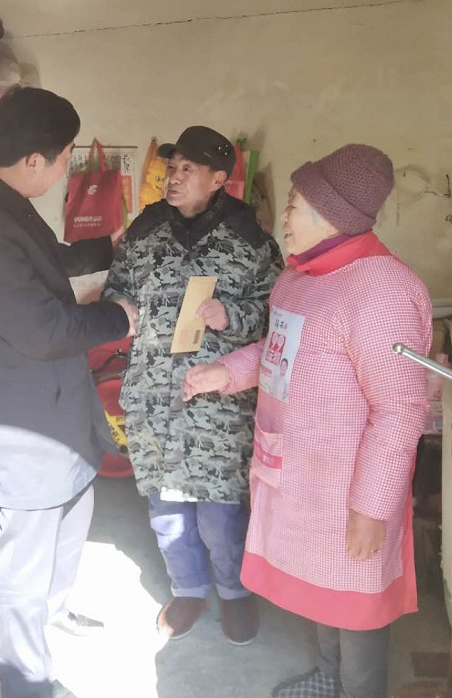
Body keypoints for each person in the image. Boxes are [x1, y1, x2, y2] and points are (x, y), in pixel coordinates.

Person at [184, 144, 432, 698]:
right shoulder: (298, 279)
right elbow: (278, 353)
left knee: (355, 600)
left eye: (294, 203)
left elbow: (398, 410)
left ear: (329, 217)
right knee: (322, 584)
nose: (285, 216)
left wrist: (372, 508)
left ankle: (359, 691)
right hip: (298, 475)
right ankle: (327, 674)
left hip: (348, 485)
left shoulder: (382, 290)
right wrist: (226, 372)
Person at [0, 86, 137, 698]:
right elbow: (43, 330)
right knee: (28, 551)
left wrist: (105, 248)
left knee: (73, 515)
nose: (66, 167)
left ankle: (55, 609)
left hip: (56, 404)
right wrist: (119, 318)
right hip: (19, 415)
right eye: (66, 157)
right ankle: (25, 677)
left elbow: (46, 260)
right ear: (35, 159)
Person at [103, 126, 283, 646]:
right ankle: (189, 590)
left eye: (187, 169)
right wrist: (121, 312)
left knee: (221, 513)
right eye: (171, 168)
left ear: (219, 179)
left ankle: (234, 592)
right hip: (153, 393)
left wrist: (233, 316)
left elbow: (278, 313)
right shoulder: (144, 230)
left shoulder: (250, 240)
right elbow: (118, 289)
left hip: (218, 403)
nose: (173, 178)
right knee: (166, 508)